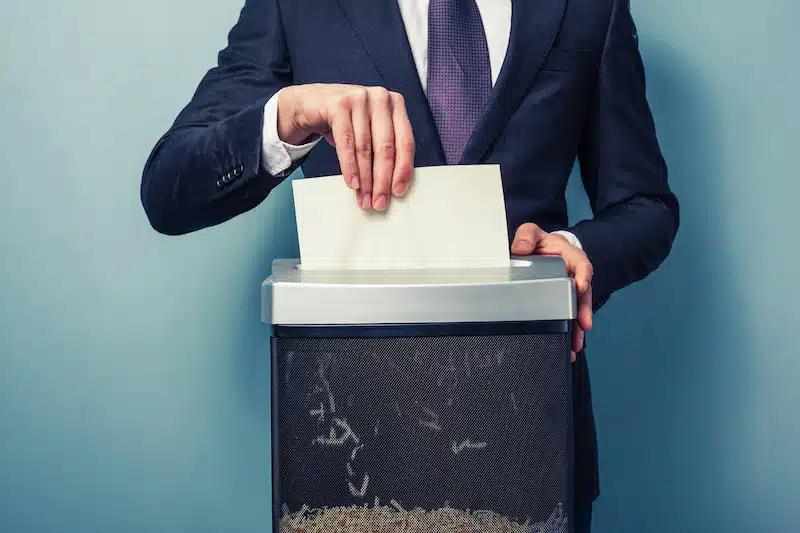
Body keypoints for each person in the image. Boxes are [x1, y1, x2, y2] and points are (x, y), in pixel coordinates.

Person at [141, 0, 680, 530]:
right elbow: (169, 188)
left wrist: (577, 248)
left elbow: (645, 206)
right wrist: (289, 115)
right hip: (350, 455)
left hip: (529, 443)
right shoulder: (295, 6)